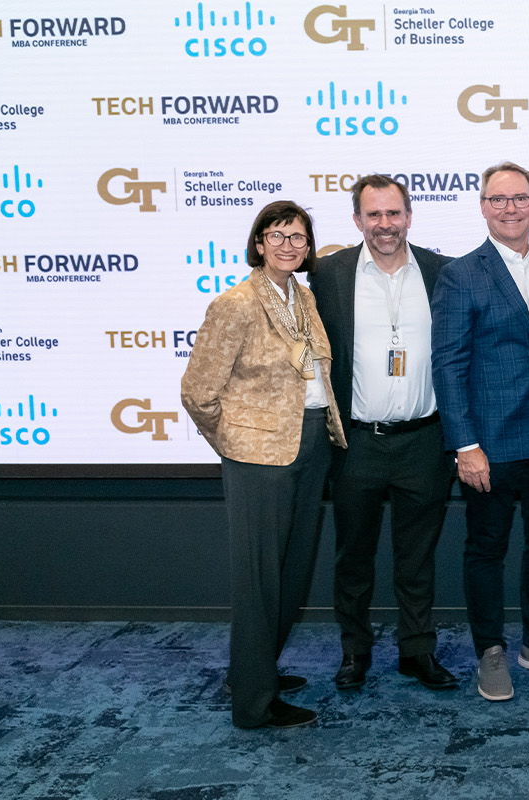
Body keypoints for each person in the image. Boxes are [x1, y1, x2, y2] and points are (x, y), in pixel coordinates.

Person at [181, 200, 347, 728]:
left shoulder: (303, 296)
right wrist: (236, 441)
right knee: (259, 581)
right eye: (276, 235)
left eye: (297, 237)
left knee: (291, 572)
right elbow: (197, 392)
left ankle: (252, 671)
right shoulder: (235, 303)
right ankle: (254, 705)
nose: (287, 245)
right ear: (258, 243)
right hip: (259, 457)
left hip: (310, 443)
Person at [431, 161, 529, 702]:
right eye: (498, 199)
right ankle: (490, 650)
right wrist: (465, 445)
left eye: (519, 198)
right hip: (488, 445)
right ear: (483, 207)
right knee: (486, 549)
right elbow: (447, 364)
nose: (510, 208)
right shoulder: (461, 275)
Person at [309, 175, 457, 693]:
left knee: (417, 557)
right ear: (357, 220)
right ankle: (355, 651)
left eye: (394, 213)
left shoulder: (442, 272)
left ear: (409, 216)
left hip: (424, 439)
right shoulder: (328, 275)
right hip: (356, 442)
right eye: (373, 214)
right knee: (353, 555)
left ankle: (418, 651)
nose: (385, 224)